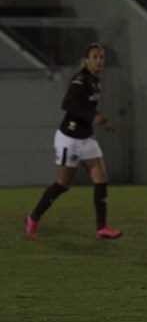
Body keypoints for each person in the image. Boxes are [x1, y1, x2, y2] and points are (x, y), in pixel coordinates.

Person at [25, 43, 123, 240]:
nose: (99, 61)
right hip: (69, 138)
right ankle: (33, 217)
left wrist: (100, 121)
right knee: (62, 184)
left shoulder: (96, 81)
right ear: (86, 60)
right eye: (95, 57)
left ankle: (101, 228)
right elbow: (67, 104)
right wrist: (93, 116)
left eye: (101, 57)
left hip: (86, 138)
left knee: (101, 180)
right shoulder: (81, 79)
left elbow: (85, 108)